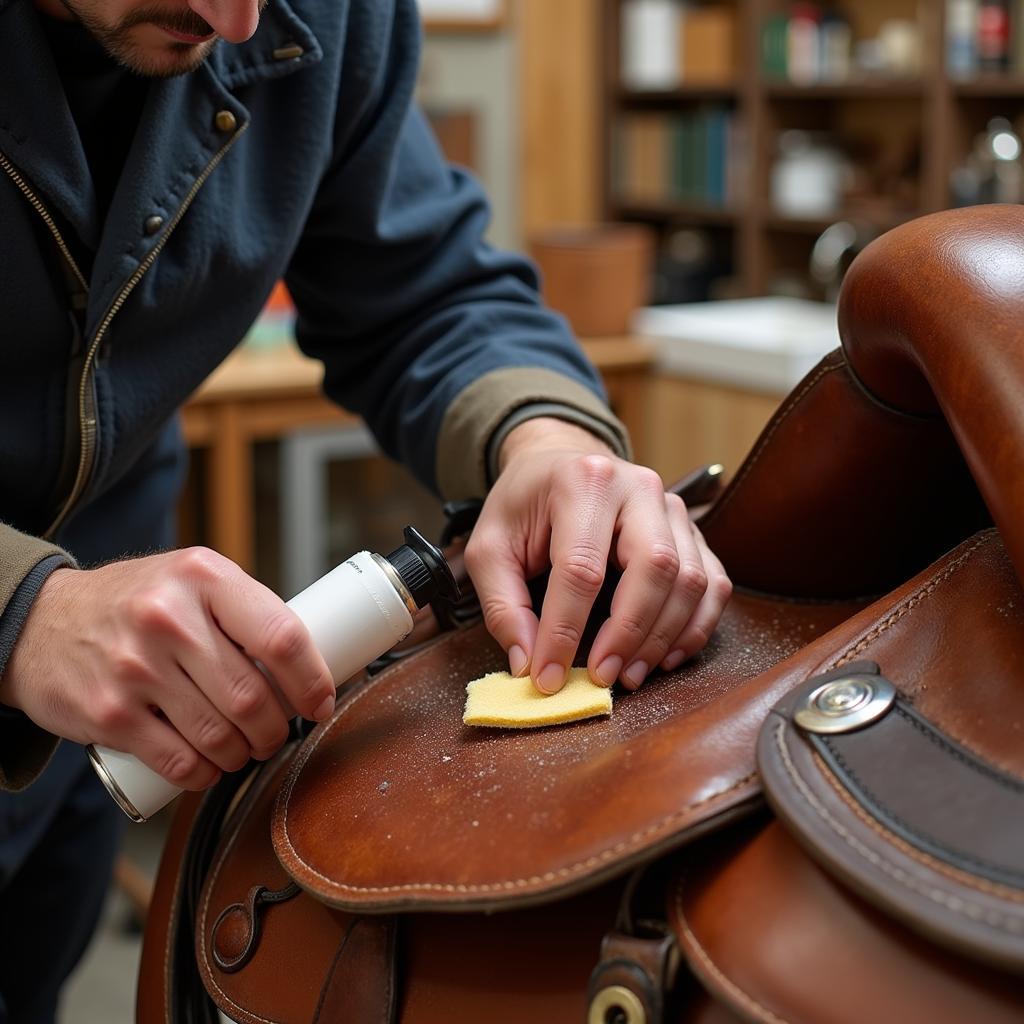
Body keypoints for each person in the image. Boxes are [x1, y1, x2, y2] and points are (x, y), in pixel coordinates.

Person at [0, 0, 733, 1019]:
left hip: (96, 704)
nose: (240, 20)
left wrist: (545, 435)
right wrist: (20, 608)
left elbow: (423, 289)